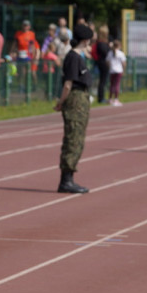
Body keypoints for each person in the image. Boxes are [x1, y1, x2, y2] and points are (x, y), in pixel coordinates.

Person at [54, 23, 94, 194]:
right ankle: (66, 180)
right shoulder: (73, 58)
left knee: (78, 138)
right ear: (85, 40)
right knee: (73, 138)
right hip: (75, 99)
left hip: (81, 99)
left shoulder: (79, 56)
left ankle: (69, 177)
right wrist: (61, 102)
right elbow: (68, 84)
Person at [106, 40, 126, 107]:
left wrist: (110, 67)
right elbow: (123, 63)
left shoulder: (110, 53)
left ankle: (110, 98)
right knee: (117, 84)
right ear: (119, 46)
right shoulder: (121, 53)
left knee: (112, 85)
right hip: (118, 70)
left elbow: (107, 61)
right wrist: (123, 70)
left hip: (112, 71)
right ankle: (116, 99)